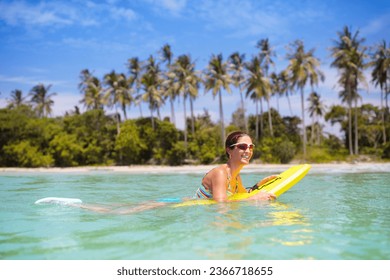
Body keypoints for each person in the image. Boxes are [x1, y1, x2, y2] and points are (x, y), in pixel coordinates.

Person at [194, 131, 276, 202]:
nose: (248, 151)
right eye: (242, 146)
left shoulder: (236, 177)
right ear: (229, 150)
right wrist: (253, 199)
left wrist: (259, 184)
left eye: (250, 147)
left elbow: (245, 194)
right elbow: (220, 204)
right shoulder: (220, 173)